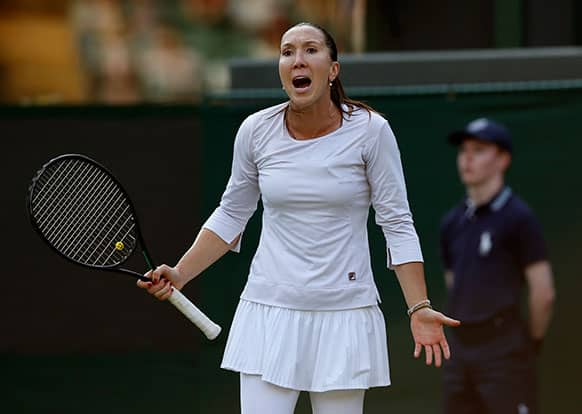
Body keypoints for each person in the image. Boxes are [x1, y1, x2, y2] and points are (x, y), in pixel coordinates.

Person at [138, 22, 460, 414]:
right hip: (268, 311)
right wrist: (181, 273)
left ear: (333, 69)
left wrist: (419, 306)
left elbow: (396, 222)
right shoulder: (255, 132)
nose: (297, 60)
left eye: (310, 50)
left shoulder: (372, 132)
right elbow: (232, 212)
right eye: (287, 52)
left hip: (345, 313)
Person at [440, 118, 556, 414]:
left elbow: (543, 292)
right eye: (463, 150)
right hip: (460, 352)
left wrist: (530, 343)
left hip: (504, 351)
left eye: (478, 150)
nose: (467, 158)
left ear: (503, 159)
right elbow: (453, 282)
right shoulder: (452, 223)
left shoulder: (519, 218)